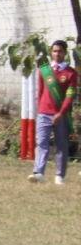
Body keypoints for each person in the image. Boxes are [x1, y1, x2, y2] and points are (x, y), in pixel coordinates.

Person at [30, 39, 75, 186]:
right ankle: (38, 173)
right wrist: (40, 110)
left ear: (65, 53)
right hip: (44, 113)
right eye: (54, 51)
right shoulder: (44, 70)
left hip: (61, 115)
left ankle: (59, 176)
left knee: (61, 145)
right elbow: (41, 91)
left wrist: (61, 113)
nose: (57, 54)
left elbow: (70, 96)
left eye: (60, 51)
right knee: (41, 143)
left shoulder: (71, 73)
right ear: (51, 52)